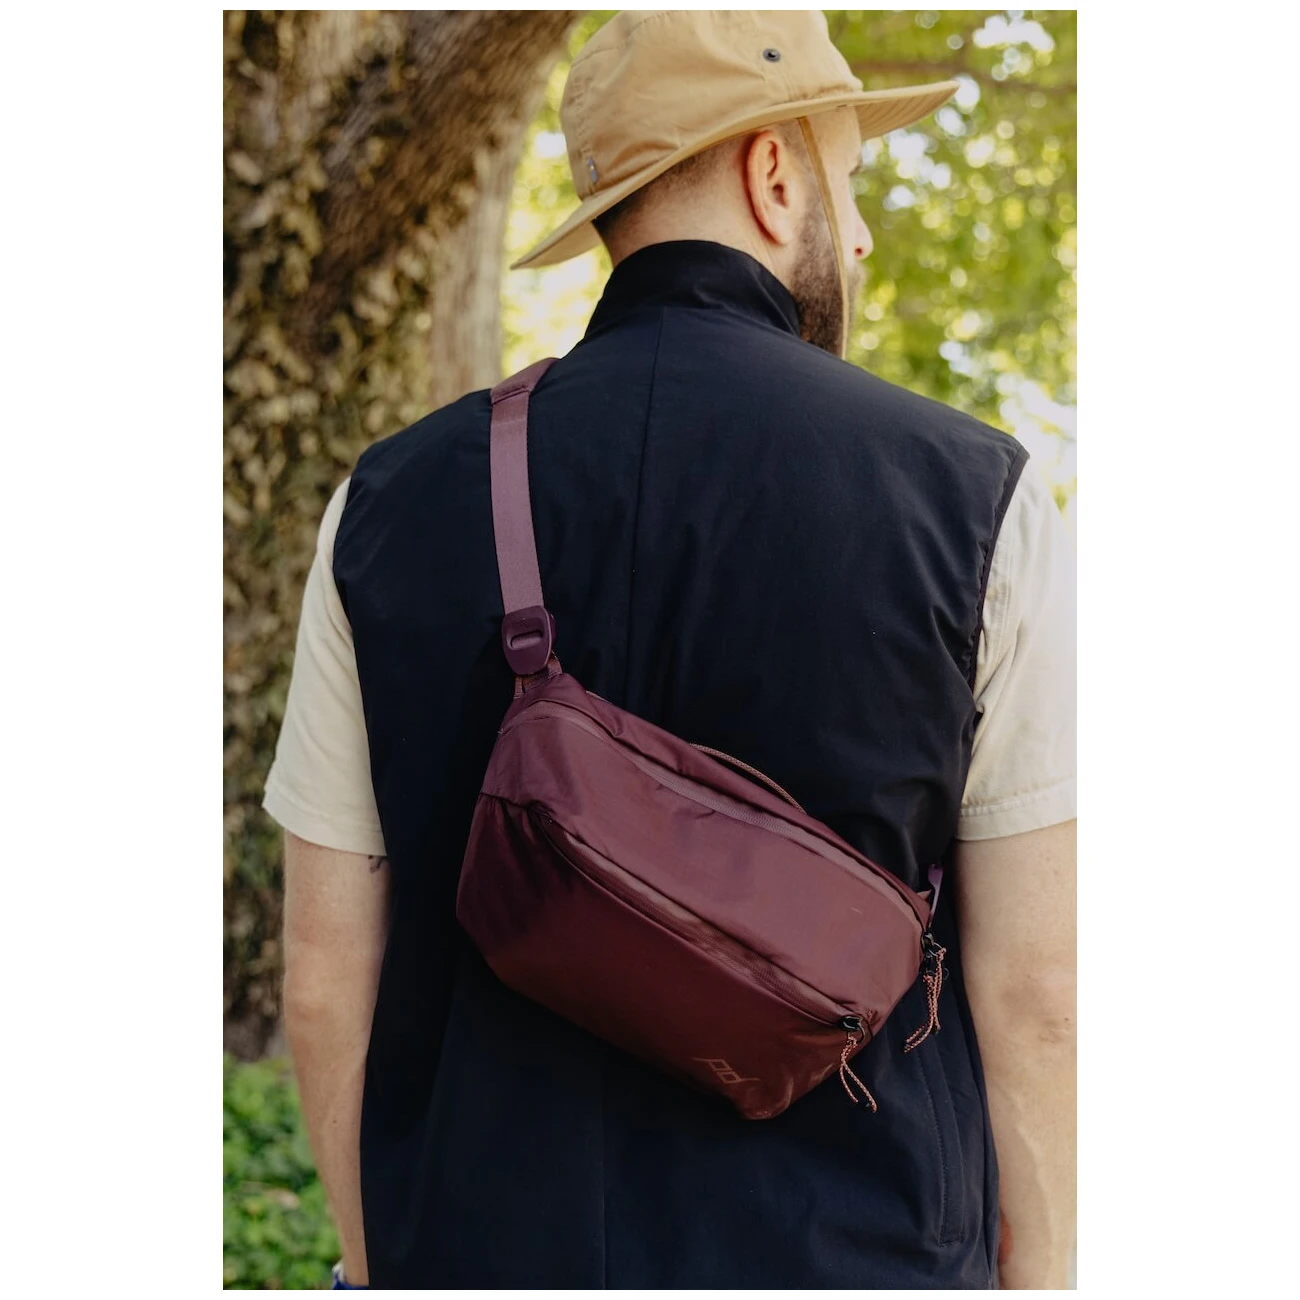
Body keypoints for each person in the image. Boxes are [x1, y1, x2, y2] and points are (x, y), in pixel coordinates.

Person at [264, 9, 1076, 1290]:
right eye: (849, 178)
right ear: (773, 173)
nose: (862, 234)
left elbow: (323, 976)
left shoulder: (386, 501)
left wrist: (375, 1267)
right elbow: (1039, 990)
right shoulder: (978, 500)